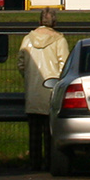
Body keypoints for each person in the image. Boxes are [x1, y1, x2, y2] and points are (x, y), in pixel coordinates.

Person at [17, 9, 69, 170]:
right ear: (54, 22)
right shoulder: (59, 40)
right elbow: (65, 65)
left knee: (34, 130)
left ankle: (34, 162)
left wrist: (28, 77)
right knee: (50, 131)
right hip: (51, 91)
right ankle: (49, 162)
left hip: (33, 91)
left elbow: (21, 64)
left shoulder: (27, 40)